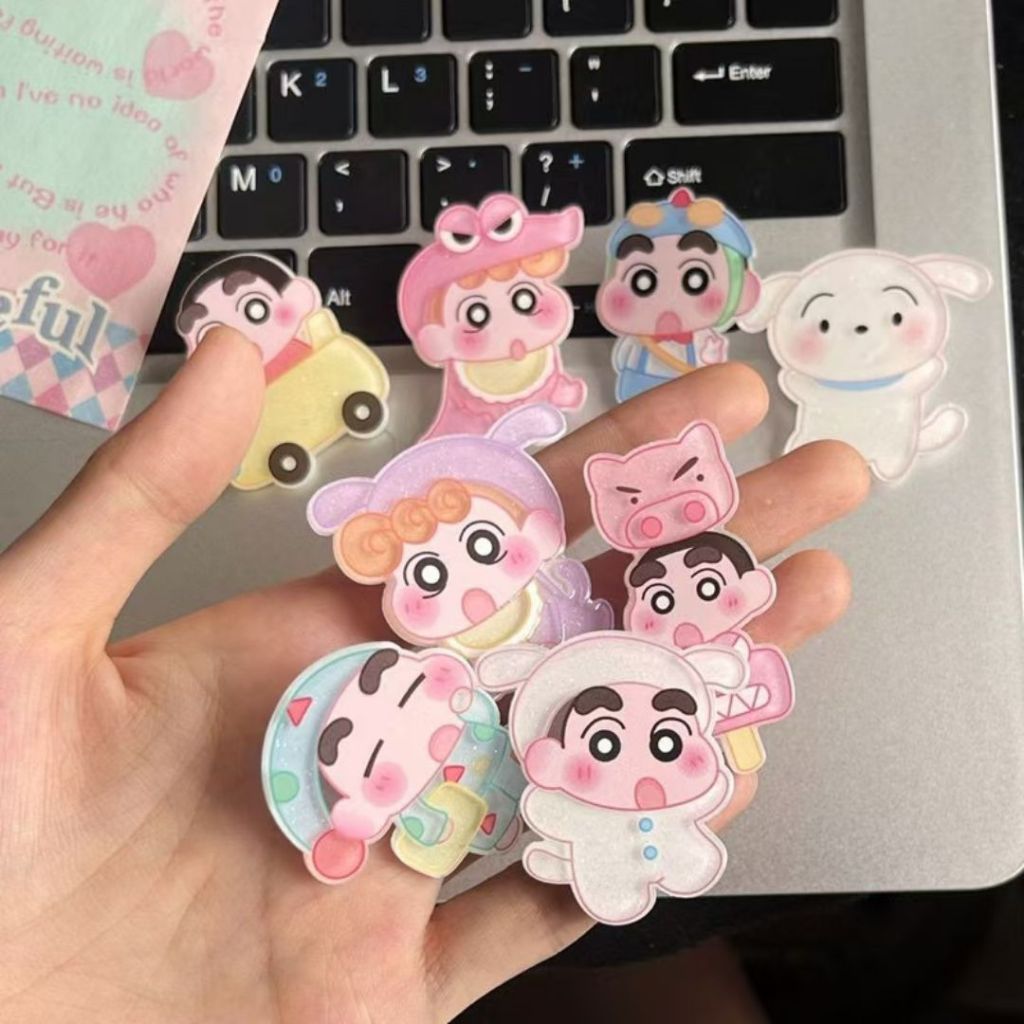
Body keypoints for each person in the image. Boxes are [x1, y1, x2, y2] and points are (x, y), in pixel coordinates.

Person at [0, 326, 868, 1022]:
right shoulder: (446, 730)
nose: (469, 576)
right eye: (430, 567)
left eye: (484, 544)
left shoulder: (556, 635)